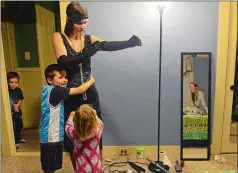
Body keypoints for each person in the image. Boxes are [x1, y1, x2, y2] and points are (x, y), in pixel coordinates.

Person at [52, 1, 142, 169]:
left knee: (95, 135)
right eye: (79, 22)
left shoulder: (88, 39)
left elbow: (106, 45)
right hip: (72, 95)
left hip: (91, 95)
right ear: (70, 20)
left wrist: (128, 43)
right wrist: (87, 53)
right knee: (74, 138)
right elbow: (63, 63)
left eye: (85, 22)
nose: (83, 26)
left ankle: (96, 168)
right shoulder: (59, 37)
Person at [39, 64, 95, 173]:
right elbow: (80, 89)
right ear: (50, 80)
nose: (64, 80)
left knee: (51, 165)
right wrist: (92, 80)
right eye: (60, 78)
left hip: (49, 135)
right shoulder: (56, 91)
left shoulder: (48, 90)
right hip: (51, 136)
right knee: (50, 167)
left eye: (65, 77)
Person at [65, 104, 104, 173]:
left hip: (81, 169)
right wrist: (95, 115)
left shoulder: (73, 134)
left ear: (76, 123)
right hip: (96, 168)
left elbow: (67, 126)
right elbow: (101, 124)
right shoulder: (97, 133)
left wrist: (71, 116)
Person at [7, 72, 26, 149]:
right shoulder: (6, 91)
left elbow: (20, 98)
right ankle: (15, 141)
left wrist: (17, 105)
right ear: (7, 82)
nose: (13, 84)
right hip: (9, 113)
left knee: (19, 125)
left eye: (16, 82)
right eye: (11, 82)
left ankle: (18, 137)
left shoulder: (18, 90)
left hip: (17, 112)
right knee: (11, 127)